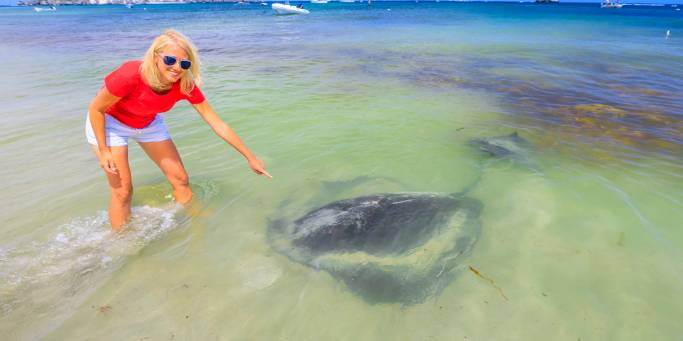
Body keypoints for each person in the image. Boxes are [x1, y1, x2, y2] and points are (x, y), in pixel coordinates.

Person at [86, 29, 271, 231]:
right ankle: (121, 242)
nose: (177, 68)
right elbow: (96, 108)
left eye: (184, 64)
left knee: (181, 179)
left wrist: (250, 157)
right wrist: (104, 150)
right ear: (155, 56)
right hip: (110, 123)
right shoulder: (131, 74)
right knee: (122, 191)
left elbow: (216, 122)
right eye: (170, 60)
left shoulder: (185, 85)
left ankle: (194, 225)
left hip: (148, 122)